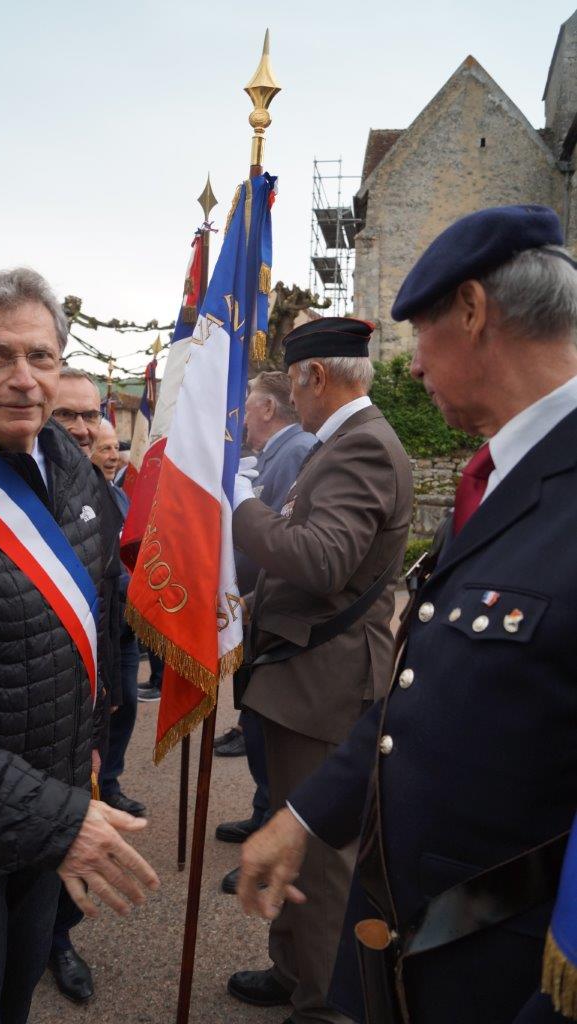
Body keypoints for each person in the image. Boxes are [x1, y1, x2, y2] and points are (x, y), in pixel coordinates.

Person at [237, 206, 577, 1024]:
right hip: (419, 936)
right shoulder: (499, 470)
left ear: (470, 311)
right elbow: (426, 691)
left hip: (510, 966)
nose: (412, 367)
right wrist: (308, 816)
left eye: (420, 333)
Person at [0, 269, 159, 1024]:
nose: (24, 380)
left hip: (51, 795)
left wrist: (89, 750)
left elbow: (93, 617)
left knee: (13, 995)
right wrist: (55, 817)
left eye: (41, 358)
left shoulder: (68, 463)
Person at [228, 320, 413, 1024]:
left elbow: (321, 560)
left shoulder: (359, 443)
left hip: (324, 682)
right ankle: (292, 969)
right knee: (292, 831)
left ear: (311, 377)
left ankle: (325, 1004)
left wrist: (235, 504)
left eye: (292, 383)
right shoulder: (343, 442)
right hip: (305, 674)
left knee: (320, 853)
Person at [48, 376, 144, 1003]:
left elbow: (108, 607)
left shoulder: (100, 498)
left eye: (91, 416)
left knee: (68, 827)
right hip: (15, 705)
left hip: (84, 702)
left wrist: (107, 692)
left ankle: (57, 937)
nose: (83, 429)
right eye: (68, 415)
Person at [216, 371, 317, 896]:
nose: (242, 413)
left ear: (270, 409)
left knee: (266, 738)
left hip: (267, 609)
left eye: (248, 403)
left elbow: (284, 538)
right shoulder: (278, 451)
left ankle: (269, 827)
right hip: (255, 609)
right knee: (256, 729)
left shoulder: (294, 451)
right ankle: (261, 814)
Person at [91, 419, 146, 818]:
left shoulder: (121, 497)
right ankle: (88, 791)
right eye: (104, 448)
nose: (113, 456)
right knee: (96, 712)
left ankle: (109, 783)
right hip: (96, 629)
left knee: (125, 704)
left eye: (115, 448)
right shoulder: (72, 499)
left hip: (125, 628)